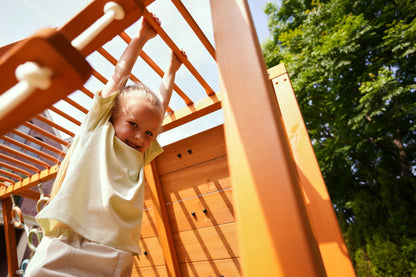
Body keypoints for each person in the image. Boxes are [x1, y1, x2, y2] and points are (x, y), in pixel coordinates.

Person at [25, 14, 184, 276]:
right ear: (112, 115)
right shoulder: (99, 129)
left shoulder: (140, 156)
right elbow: (118, 76)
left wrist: (171, 71)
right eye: (132, 125)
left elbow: (161, 108)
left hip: (114, 250)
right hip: (69, 237)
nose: (140, 137)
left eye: (148, 133)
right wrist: (140, 38)